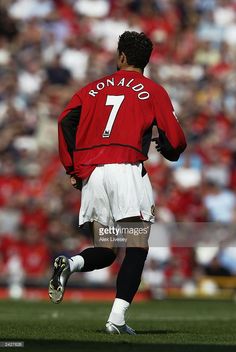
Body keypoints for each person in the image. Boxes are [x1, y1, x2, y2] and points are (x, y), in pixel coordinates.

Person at [48, 31, 187, 334]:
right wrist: (170, 150)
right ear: (145, 62)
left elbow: (65, 120)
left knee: (108, 249)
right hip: (126, 170)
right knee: (136, 248)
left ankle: (69, 264)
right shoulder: (152, 90)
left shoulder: (92, 89)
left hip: (95, 174)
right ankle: (117, 320)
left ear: (121, 56)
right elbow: (175, 138)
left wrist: (72, 167)